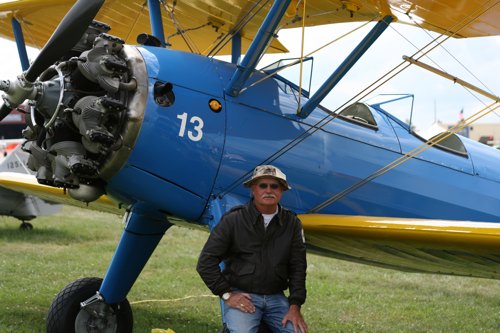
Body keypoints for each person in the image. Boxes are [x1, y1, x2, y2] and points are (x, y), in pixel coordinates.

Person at [197, 165, 308, 333]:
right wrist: (226, 295)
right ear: (252, 189)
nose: (269, 190)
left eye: (275, 186)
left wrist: (295, 306)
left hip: (276, 298)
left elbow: (298, 268)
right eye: (263, 185)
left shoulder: (292, 224)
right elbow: (206, 262)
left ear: (282, 190)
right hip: (243, 295)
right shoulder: (233, 220)